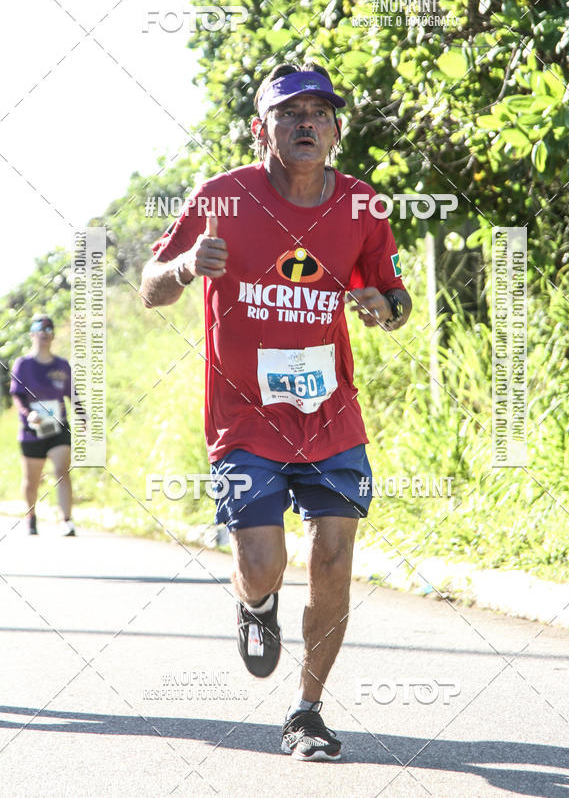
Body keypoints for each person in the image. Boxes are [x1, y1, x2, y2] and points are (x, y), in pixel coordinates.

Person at [139, 61, 412, 760]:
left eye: (319, 114)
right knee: (263, 563)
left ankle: (307, 711)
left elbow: (392, 297)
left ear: (337, 130)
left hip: (331, 416)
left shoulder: (360, 207)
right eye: (290, 114)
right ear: (262, 129)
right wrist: (183, 267)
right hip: (244, 418)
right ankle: (256, 604)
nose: (306, 125)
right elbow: (150, 287)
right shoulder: (221, 198)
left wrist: (384, 308)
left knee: (333, 553)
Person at [10, 314, 77, 536]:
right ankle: (31, 515)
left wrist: (83, 414)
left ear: (53, 335)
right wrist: (28, 414)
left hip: (58, 428)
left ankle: (66, 520)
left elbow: (72, 394)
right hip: (32, 430)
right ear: (32, 334)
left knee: (62, 470)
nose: (45, 334)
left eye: (49, 330)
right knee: (31, 481)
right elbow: (17, 395)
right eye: (40, 329)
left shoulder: (61, 365)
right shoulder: (23, 365)